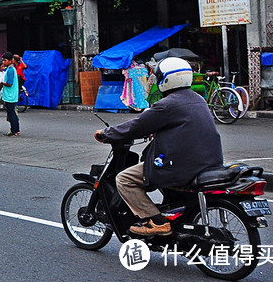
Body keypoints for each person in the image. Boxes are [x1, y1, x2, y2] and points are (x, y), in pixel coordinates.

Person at [95, 56, 223, 236]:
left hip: (180, 166)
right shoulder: (198, 99)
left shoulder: (166, 104)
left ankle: (155, 221)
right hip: (208, 162)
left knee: (125, 179)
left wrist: (106, 134)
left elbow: (136, 126)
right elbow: (182, 126)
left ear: (166, 79)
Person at [0, 52, 21, 136]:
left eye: (5, 60)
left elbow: (9, 83)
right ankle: (16, 129)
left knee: (11, 113)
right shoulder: (11, 69)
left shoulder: (10, 70)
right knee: (12, 113)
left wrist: (2, 83)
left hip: (10, 95)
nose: (3, 62)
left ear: (11, 61)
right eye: (3, 60)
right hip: (12, 95)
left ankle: (14, 130)